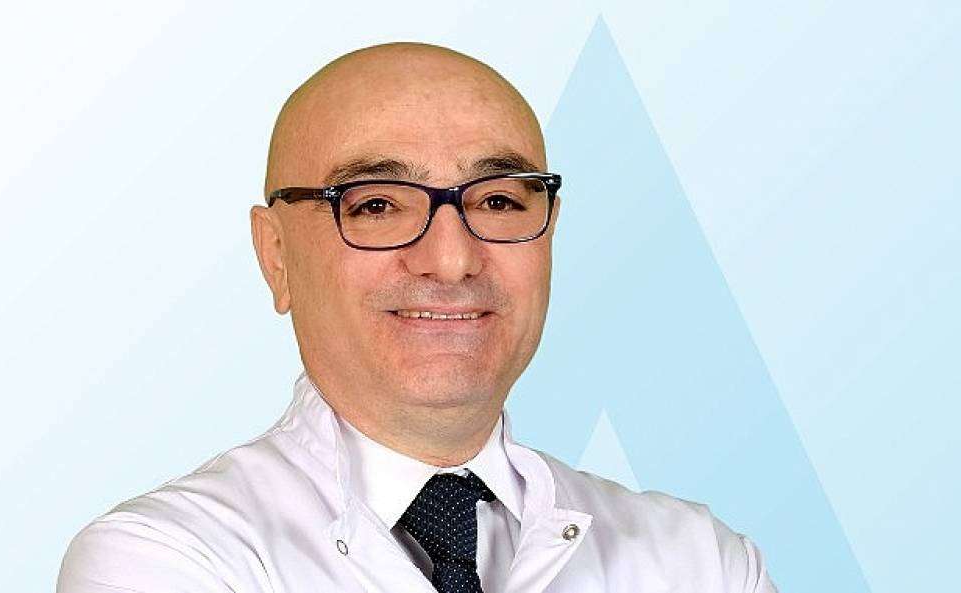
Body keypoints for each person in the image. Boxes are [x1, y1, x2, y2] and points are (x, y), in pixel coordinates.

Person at [57, 41, 777, 593]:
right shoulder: (166, 558)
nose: (453, 260)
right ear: (276, 255)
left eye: (499, 201)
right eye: (376, 205)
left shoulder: (699, 560)